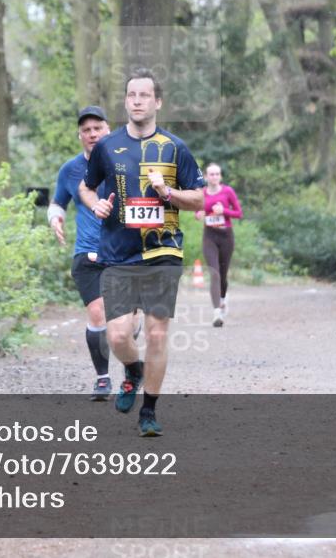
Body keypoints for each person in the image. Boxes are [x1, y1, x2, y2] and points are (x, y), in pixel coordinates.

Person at [79, 68, 204, 437]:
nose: (137, 101)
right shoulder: (107, 146)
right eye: (131, 95)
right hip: (118, 252)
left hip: (163, 251)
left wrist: (168, 193)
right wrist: (96, 205)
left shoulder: (174, 147)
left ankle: (148, 410)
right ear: (125, 101)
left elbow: (199, 198)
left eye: (144, 95)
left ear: (157, 102)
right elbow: (86, 187)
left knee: (157, 334)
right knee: (118, 336)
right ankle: (133, 369)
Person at [48, 106, 116, 401]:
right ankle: (102, 379)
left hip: (123, 251)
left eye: (97, 128)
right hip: (87, 253)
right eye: (86, 130)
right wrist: (55, 218)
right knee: (98, 312)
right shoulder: (70, 169)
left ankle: (128, 350)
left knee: (128, 322)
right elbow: (58, 202)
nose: (92, 134)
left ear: (108, 131)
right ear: (80, 136)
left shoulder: (125, 163)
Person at [194, 163, 243, 327]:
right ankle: (217, 313)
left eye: (217, 174)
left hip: (226, 237)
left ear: (220, 176)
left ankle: (223, 298)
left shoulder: (228, 191)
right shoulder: (201, 193)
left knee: (222, 274)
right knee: (214, 273)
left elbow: (239, 213)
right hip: (210, 236)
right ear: (206, 177)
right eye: (211, 174)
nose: (214, 177)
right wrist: (198, 214)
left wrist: (224, 211)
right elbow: (197, 211)